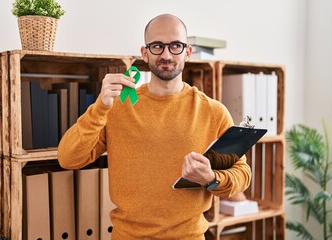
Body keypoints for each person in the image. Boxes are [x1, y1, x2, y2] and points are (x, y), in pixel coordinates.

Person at [58, 13, 252, 240]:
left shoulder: (213, 112)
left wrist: (211, 178)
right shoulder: (118, 107)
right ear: (145, 53)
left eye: (175, 46)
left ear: (187, 52)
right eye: (157, 46)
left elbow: (242, 174)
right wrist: (100, 107)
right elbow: (68, 158)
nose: (167, 55)